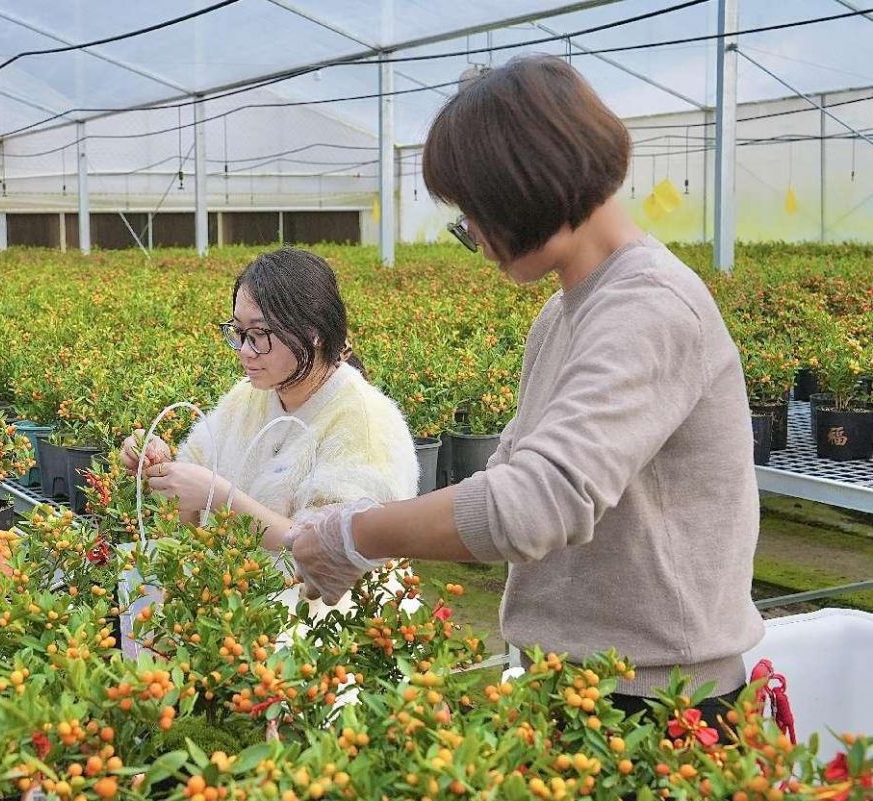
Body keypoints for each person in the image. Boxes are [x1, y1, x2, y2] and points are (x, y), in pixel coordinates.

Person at [285, 55, 764, 721]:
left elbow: (535, 503)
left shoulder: (650, 306)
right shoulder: (565, 311)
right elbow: (512, 475)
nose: (474, 236)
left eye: (474, 213)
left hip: (655, 701)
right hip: (574, 677)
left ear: (528, 186)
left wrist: (355, 532)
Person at [119, 246, 419, 554]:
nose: (245, 351)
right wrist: (159, 464)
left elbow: (333, 549)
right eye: (238, 331)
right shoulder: (247, 397)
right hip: (235, 593)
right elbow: (187, 517)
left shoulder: (365, 423)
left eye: (259, 334)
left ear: (313, 333)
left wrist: (220, 497)